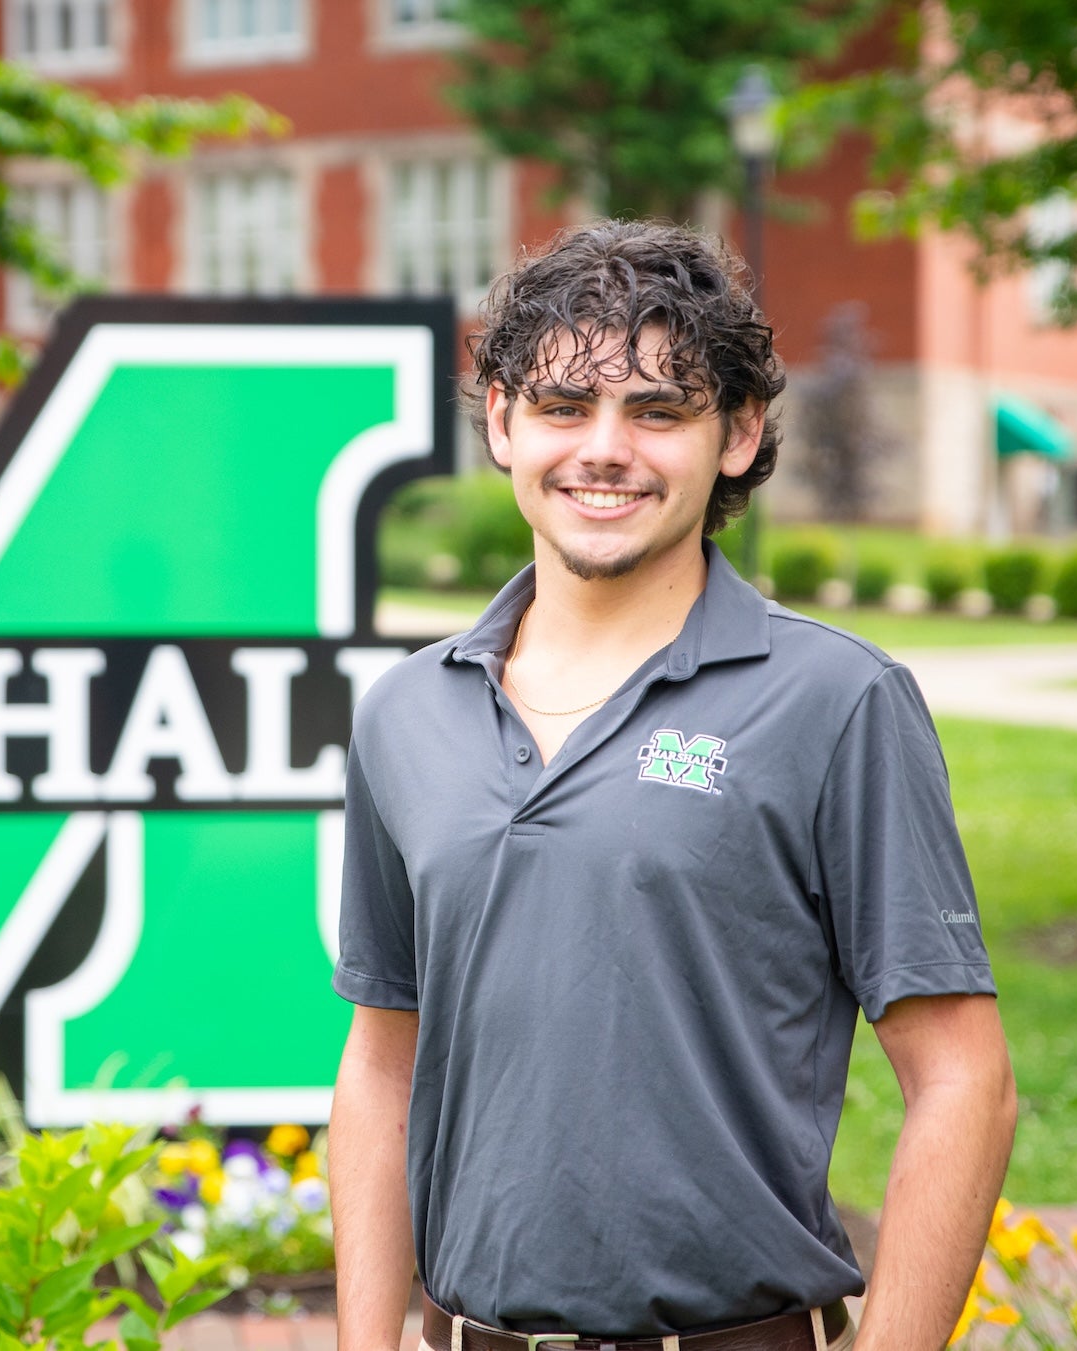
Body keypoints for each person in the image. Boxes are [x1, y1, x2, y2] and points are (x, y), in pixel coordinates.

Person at [328, 219, 1015, 1351]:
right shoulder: (406, 713)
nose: (604, 449)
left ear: (737, 435)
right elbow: (380, 1060)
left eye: (656, 410)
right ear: (500, 423)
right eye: (561, 406)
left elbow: (962, 1082)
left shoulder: (834, 702)